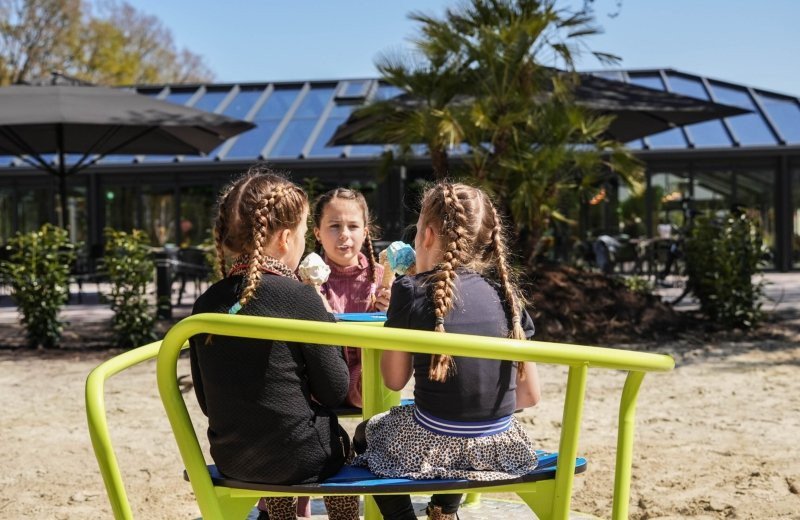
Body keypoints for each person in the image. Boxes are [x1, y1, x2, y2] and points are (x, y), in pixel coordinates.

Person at [353, 182, 542, 520]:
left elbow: (393, 381)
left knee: (367, 434)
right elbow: (529, 395)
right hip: (503, 448)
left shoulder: (410, 290)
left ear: (426, 236)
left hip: (433, 443)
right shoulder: (506, 295)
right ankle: (443, 512)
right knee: (452, 426)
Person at [189, 167, 358, 520]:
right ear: (284, 239)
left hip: (233, 457)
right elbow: (334, 390)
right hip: (298, 458)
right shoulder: (300, 299)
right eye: (302, 233)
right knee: (345, 448)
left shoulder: (206, 303)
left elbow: (206, 401)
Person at [312, 187, 389, 409]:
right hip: (322, 379)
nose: (344, 234)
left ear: (365, 233)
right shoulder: (307, 281)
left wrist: (392, 310)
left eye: (353, 226)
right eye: (335, 226)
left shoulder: (381, 278)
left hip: (368, 379)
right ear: (317, 233)